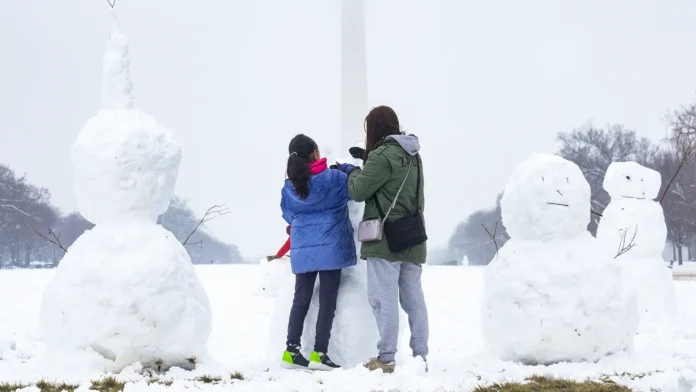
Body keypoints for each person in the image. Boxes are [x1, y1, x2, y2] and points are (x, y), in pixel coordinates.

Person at [346, 106, 429, 374]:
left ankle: (386, 357)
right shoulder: (414, 155)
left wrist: (353, 171)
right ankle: (420, 355)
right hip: (413, 235)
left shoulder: (382, 155)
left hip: (386, 240)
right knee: (414, 299)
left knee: (383, 299)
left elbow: (358, 190)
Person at [280, 134, 358, 371]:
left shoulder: (289, 187)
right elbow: (355, 188)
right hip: (332, 248)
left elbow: (287, 215)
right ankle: (319, 353)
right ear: (315, 152)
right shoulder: (334, 178)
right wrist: (345, 166)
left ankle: (291, 350)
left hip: (303, 249)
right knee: (327, 301)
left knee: (300, 299)